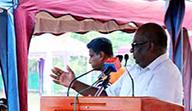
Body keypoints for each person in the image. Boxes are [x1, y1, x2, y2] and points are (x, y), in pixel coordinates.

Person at [50, 23, 183, 104]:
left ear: (150, 46)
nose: (131, 50)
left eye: (135, 45)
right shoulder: (133, 70)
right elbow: (106, 96)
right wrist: (74, 84)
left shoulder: (166, 73)